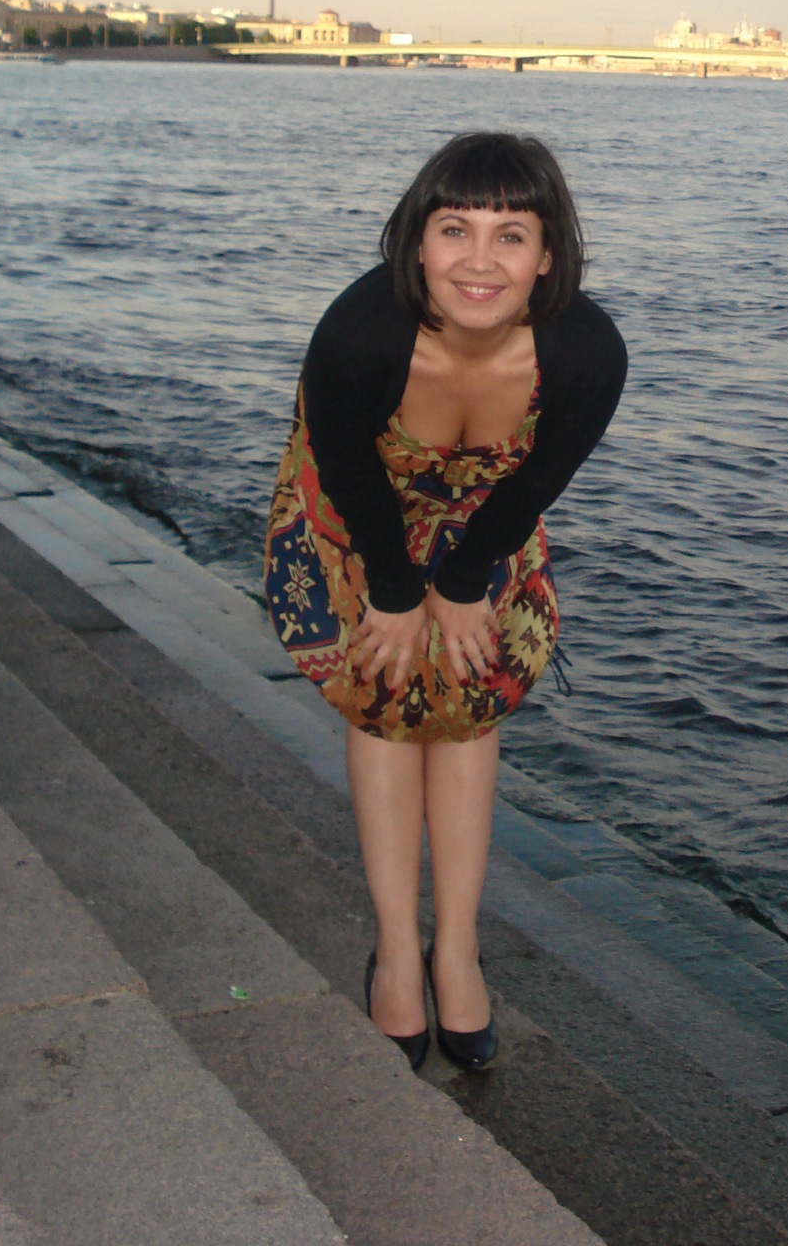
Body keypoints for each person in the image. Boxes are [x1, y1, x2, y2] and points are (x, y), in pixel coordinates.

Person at [264, 131, 627, 1072]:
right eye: (455, 228)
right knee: (387, 687)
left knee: (470, 688)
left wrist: (465, 583)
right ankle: (396, 951)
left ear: (547, 256)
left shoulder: (587, 353)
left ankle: (456, 949)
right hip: (357, 498)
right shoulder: (358, 334)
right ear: (416, 241)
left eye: (511, 235)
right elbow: (345, 468)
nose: (479, 261)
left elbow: (538, 481)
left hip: (489, 509)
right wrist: (394, 593)